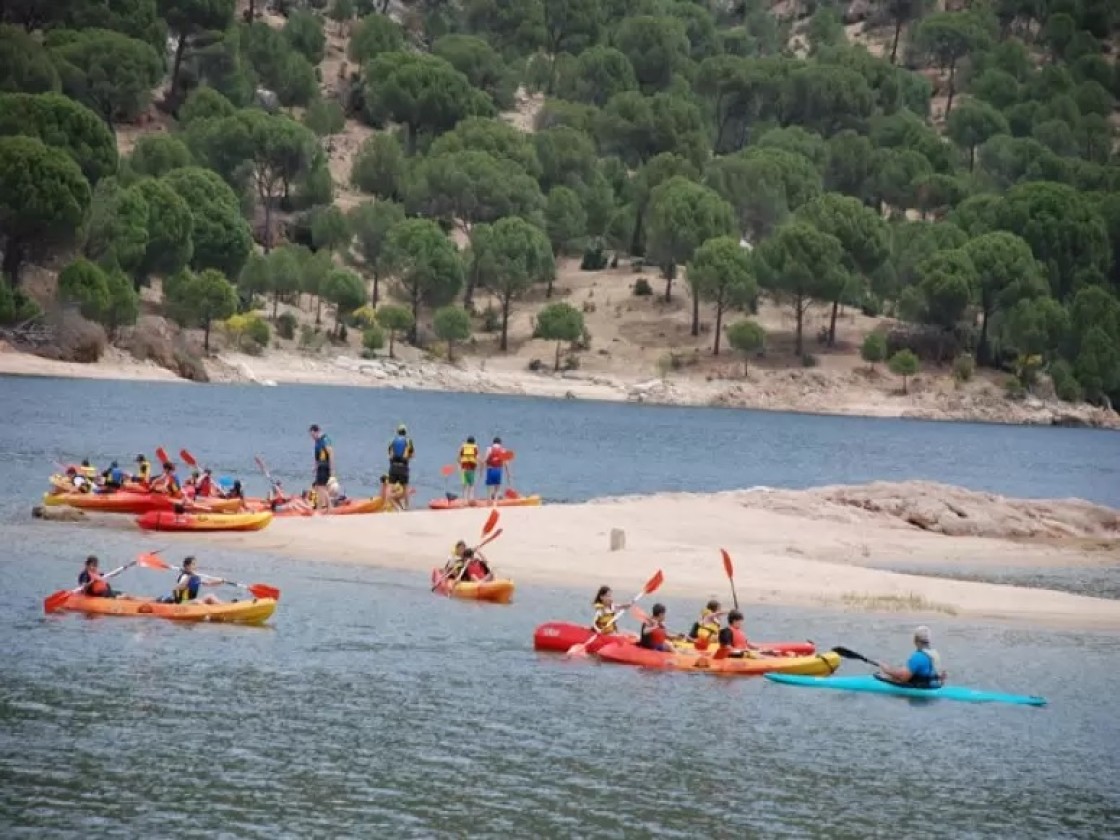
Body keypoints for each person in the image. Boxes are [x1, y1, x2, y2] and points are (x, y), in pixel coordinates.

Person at [877, 626, 946, 689]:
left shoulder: (918, 657)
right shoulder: (935, 654)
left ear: (915, 640)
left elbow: (903, 678)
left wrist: (887, 670)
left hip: (923, 690)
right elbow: (940, 676)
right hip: (935, 686)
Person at [387, 426, 414, 509]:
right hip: (403, 468)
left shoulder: (391, 441)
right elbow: (412, 455)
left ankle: (397, 508)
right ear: (405, 432)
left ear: (397, 432)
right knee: (405, 488)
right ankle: (406, 507)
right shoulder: (408, 441)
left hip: (393, 467)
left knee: (389, 491)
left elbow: (389, 455)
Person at [309, 424, 334, 511]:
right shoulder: (317, 441)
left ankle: (330, 507)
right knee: (319, 487)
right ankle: (320, 508)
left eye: (313, 435)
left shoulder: (325, 439)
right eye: (311, 435)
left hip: (325, 466)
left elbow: (330, 454)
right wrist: (315, 467)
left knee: (321, 487)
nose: (312, 437)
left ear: (317, 432)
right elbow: (317, 456)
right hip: (320, 466)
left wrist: (331, 469)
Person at [483, 437, 507, 502]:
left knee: (489, 485)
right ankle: (496, 499)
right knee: (497, 485)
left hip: (490, 469)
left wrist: (482, 468)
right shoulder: (503, 450)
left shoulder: (489, 449)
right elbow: (505, 463)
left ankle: (489, 499)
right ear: (500, 443)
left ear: (493, 442)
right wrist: (508, 474)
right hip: (498, 469)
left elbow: (485, 460)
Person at [458, 436, 479, 503]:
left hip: (463, 468)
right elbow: (477, 457)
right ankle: (470, 499)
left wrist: (460, 465)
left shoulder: (463, 447)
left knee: (464, 484)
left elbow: (458, 458)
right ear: (473, 442)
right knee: (471, 484)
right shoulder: (475, 448)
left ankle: (463, 500)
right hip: (471, 468)